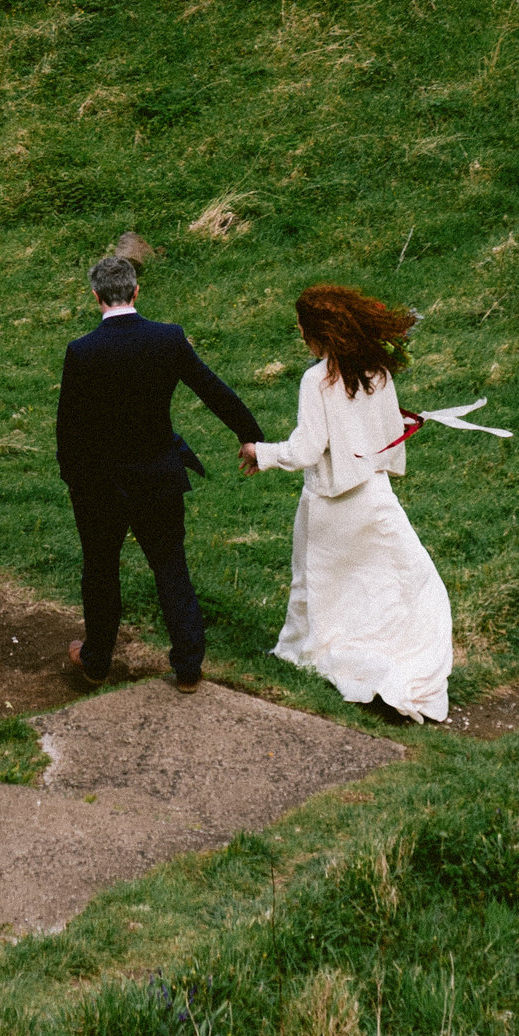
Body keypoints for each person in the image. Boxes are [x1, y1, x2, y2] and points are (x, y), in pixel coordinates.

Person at [241, 284, 452, 725]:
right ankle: (393, 652)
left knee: (311, 579)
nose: (300, 337)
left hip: (327, 504)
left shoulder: (316, 380)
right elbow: (389, 433)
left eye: (302, 329)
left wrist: (260, 453)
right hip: (374, 498)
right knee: (403, 581)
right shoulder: (379, 374)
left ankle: (298, 650)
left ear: (320, 333)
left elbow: (306, 449)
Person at [56, 250, 263, 690]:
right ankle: (188, 667)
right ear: (135, 290)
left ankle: (95, 662)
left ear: (96, 297)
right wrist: (250, 435)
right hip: (158, 476)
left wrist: (73, 479)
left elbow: (68, 428)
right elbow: (213, 390)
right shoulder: (168, 339)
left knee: (100, 569)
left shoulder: (82, 351)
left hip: (100, 483)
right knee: (170, 567)